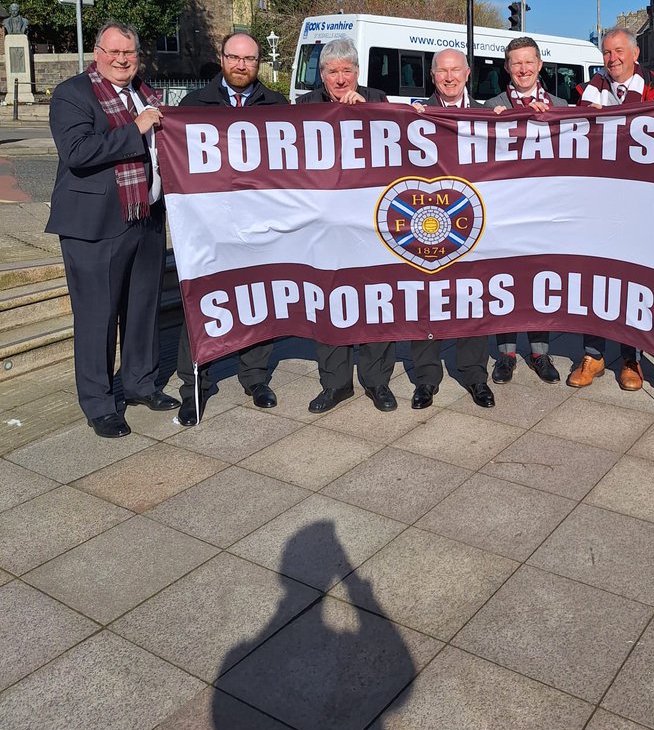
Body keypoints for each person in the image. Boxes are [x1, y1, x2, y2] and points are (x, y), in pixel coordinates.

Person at [46, 21, 176, 437]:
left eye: (130, 53)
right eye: (115, 53)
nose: (123, 60)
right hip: (96, 226)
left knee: (142, 310)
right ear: (98, 54)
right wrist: (134, 130)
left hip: (146, 217)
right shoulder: (73, 94)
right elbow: (78, 152)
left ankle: (140, 384)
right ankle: (100, 403)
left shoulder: (145, 92)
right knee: (96, 317)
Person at [174, 32, 288, 426]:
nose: (242, 65)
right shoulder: (193, 105)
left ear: (259, 63)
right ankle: (194, 386)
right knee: (200, 301)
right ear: (221, 58)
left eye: (250, 59)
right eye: (234, 58)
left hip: (259, 225)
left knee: (260, 298)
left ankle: (255, 377)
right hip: (210, 225)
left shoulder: (277, 105)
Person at [571, 26, 654, 391]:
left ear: (635, 53)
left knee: (629, 279)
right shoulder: (586, 93)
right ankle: (593, 355)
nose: (611, 59)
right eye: (606, 53)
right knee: (591, 278)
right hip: (595, 203)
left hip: (636, 205)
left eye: (618, 51)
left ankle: (630, 357)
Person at [298, 38, 397, 412]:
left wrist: (368, 113)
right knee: (329, 302)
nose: (340, 79)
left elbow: (399, 151)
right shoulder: (303, 107)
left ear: (358, 71)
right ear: (321, 74)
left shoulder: (377, 100)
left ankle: (378, 382)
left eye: (347, 70)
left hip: (370, 223)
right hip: (324, 225)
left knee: (374, 302)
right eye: (332, 71)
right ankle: (335, 383)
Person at [408, 49, 495, 409]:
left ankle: (475, 375)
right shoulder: (413, 117)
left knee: (472, 301)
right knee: (425, 300)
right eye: (442, 71)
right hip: (426, 224)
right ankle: (426, 379)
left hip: (471, 225)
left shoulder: (488, 116)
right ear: (432, 76)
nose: (448, 77)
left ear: (467, 73)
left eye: (455, 70)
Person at [486, 36, 567, 384]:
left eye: (528, 62)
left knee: (541, 281)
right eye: (516, 63)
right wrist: (493, 125)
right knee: (503, 282)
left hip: (544, 214)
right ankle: (505, 355)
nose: (523, 69)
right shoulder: (490, 107)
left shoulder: (562, 105)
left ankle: (539, 352)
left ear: (540, 65)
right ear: (507, 67)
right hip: (504, 214)